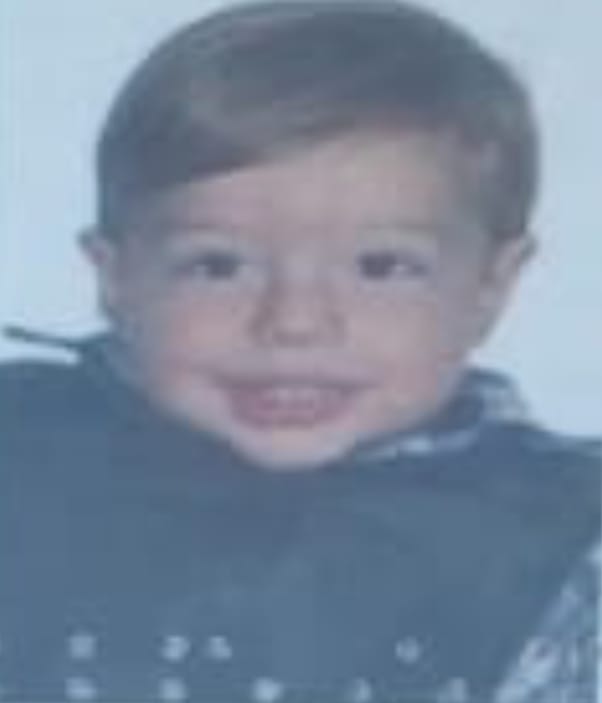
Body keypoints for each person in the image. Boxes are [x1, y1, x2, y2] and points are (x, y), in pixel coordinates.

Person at [1, 1, 599, 701]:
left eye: (381, 266)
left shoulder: (559, 533)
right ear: (117, 278)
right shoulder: (25, 460)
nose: (294, 323)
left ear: (489, 286)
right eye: (218, 265)